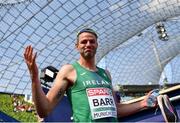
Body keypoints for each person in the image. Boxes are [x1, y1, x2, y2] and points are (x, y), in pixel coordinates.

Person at [24, 28, 157, 122]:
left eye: (92, 41)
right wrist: (34, 78)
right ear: (77, 46)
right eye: (84, 42)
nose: (88, 44)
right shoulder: (69, 71)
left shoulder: (105, 74)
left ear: (97, 45)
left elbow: (115, 110)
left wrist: (143, 103)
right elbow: (44, 110)